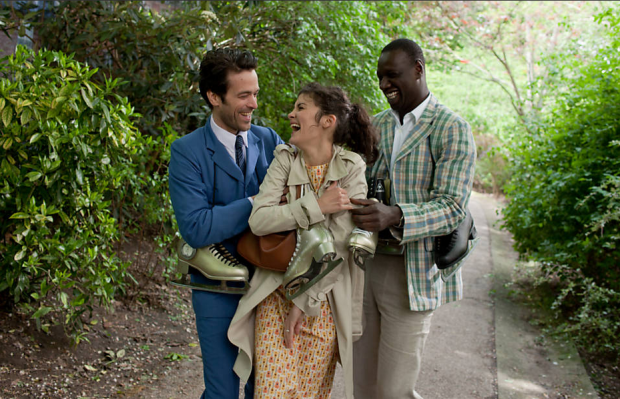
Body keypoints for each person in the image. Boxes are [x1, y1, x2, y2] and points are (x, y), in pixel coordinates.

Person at [228, 83, 379, 399]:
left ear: (327, 121)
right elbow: (259, 220)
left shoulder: (352, 168)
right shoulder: (285, 159)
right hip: (275, 291)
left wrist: (302, 301)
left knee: (307, 394)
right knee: (271, 393)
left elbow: (339, 246)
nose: (291, 114)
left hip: (323, 299)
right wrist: (318, 206)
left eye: (300, 107)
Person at [350, 38, 477, 399]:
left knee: (394, 390)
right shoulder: (375, 125)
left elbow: (453, 206)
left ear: (419, 69)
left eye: (393, 75)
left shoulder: (451, 128)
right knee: (362, 386)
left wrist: (395, 214)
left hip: (413, 273)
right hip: (367, 266)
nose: (384, 85)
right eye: (380, 77)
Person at [168, 47, 284, 399]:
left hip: (269, 284)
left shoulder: (268, 139)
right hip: (216, 288)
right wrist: (257, 203)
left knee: (261, 388)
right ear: (214, 96)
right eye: (243, 95)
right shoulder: (186, 151)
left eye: (256, 93)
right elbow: (197, 228)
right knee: (221, 391)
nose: (253, 104)